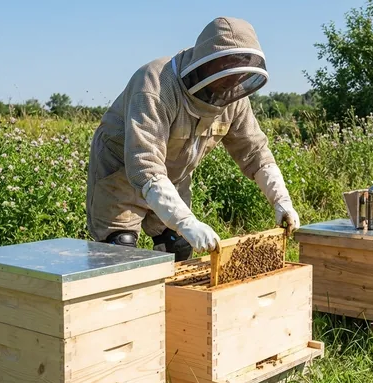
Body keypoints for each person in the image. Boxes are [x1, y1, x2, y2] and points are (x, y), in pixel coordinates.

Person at [85, 17, 300, 261]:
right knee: (120, 251)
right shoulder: (155, 84)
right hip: (121, 171)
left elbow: (254, 152)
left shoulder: (233, 98)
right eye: (227, 70)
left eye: (238, 72)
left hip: (174, 174)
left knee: (177, 244)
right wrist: (186, 220)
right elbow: (143, 162)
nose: (231, 83)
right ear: (208, 61)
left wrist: (281, 200)